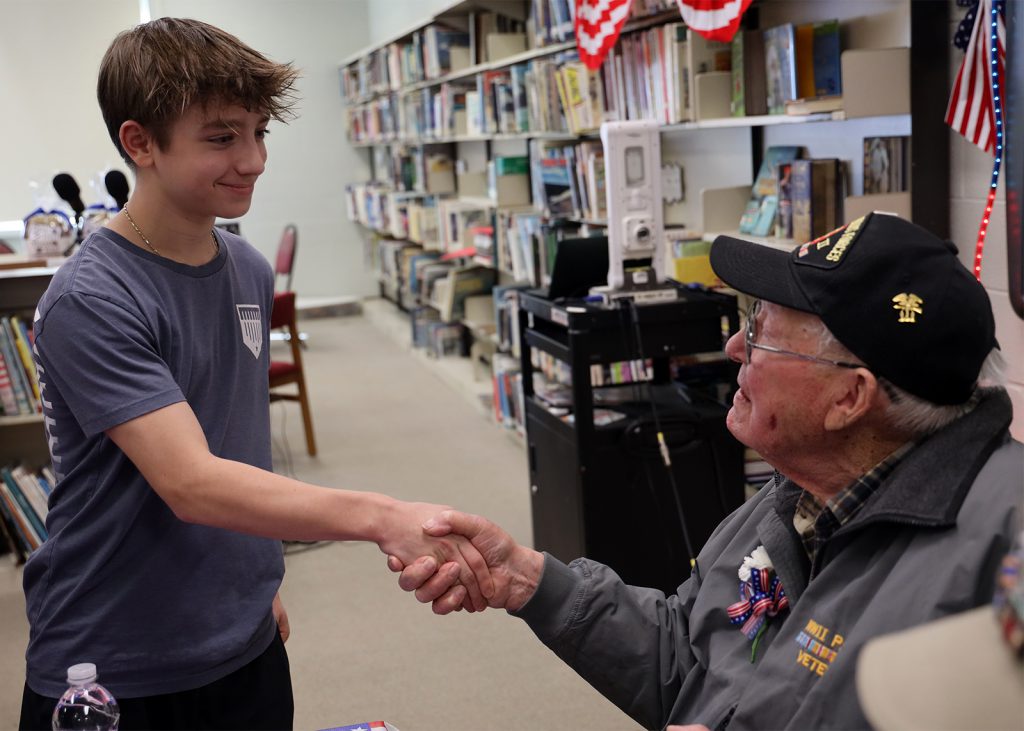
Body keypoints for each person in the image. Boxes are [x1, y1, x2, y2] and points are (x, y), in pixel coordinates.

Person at [19, 18, 491, 731]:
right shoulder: (91, 297)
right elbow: (191, 481)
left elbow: (236, 441)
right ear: (139, 142)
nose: (253, 158)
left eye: (259, 131)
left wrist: (253, 574)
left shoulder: (247, 268)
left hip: (241, 639)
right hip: (112, 664)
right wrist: (381, 516)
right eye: (221, 137)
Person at [395, 212, 1023, 730]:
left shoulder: (1002, 552)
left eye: (762, 333)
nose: (732, 349)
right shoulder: (794, 497)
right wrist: (531, 581)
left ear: (848, 400)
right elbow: (693, 661)